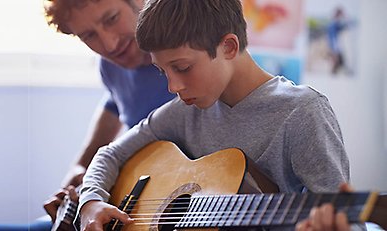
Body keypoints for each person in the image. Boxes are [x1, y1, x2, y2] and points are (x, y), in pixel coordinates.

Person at [76, 0, 354, 230]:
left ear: (229, 47)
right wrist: (90, 202)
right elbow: (109, 154)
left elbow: (348, 220)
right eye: (163, 72)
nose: (173, 87)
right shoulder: (185, 112)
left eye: (182, 68)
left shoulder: (302, 112)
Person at [42, 0, 175, 225]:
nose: (110, 45)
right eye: (88, 36)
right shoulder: (111, 67)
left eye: (111, 19)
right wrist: (72, 183)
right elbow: (113, 110)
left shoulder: (190, 58)